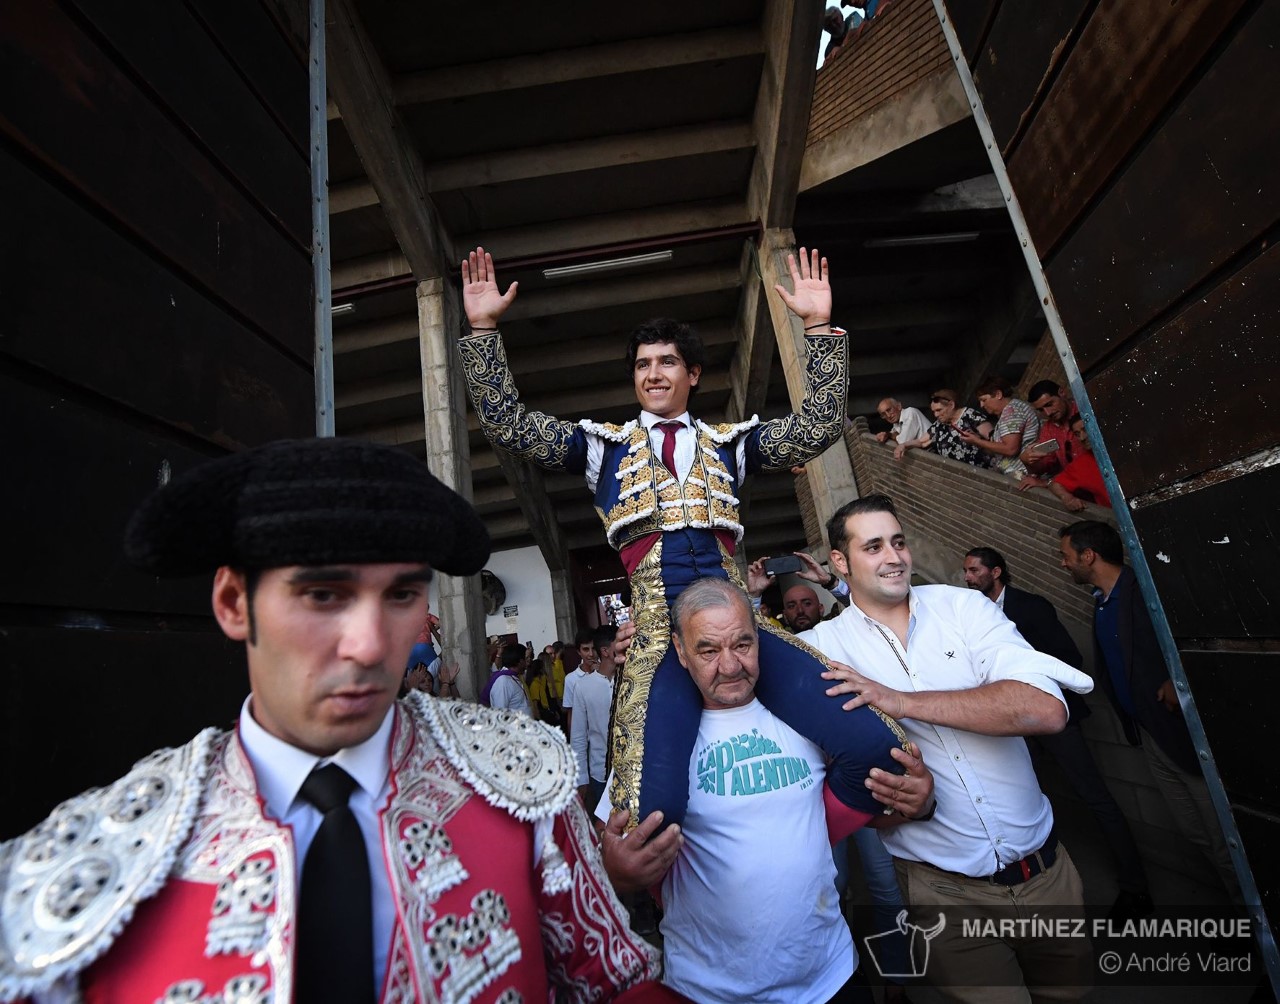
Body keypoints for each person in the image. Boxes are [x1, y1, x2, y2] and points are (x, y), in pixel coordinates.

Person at [0, 438, 672, 1003]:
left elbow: (615, 983)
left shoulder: (517, 777)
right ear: (235, 603)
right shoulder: (89, 861)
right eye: (324, 594)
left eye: (402, 594)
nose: (372, 644)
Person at [459, 245, 907, 833]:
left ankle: (790, 843)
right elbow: (511, 426)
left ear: (692, 374)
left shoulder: (731, 445)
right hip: (656, 639)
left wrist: (819, 327)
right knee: (649, 813)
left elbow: (817, 428)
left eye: (667, 362)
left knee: (882, 748)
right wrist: (484, 329)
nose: (653, 374)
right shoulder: (603, 447)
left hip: (740, 625)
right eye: (643, 364)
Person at [803, 495, 1096, 1001]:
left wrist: (900, 701)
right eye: (872, 546)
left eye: (898, 542)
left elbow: (1044, 709)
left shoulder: (964, 606)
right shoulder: (823, 651)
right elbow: (827, 789)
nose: (894, 557)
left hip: (1050, 881)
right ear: (839, 562)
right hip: (945, 898)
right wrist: (899, 811)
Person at [601, 577, 934, 1004]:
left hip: (832, 977)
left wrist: (919, 803)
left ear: (760, 639)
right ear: (681, 653)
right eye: (708, 650)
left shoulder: (809, 720)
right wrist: (613, 872)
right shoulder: (658, 748)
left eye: (742, 644)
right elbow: (604, 853)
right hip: (710, 992)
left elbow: (868, 813)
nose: (730, 665)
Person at [963, 546, 1153, 918]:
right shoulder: (972, 616)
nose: (967, 578)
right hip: (1012, 729)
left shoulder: (1031, 606)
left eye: (973, 570)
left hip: (1053, 721)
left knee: (1096, 797)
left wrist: (1025, 685)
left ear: (996, 572)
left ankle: (1136, 888)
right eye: (965, 571)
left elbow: (1069, 658)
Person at [1058, 520, 1241, 901]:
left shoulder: (1143, 590)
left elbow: (1204, 631)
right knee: (1197, 835)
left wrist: (1179, 678)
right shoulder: (1103, 602)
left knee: (1227, 841)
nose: (1063, 563)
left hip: (1183, 736)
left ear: (1088, 555)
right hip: (1150, 735)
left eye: (1066, 555)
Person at [1018, 414, 1111, 511]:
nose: (1082, 438)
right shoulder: (1082, 463)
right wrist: (1067, 498)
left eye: (1085, 430)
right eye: (1077, 434)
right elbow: (1055, 484)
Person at [572, 626, 619, 811]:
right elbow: (578, 735)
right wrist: (581, 777)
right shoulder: (583, 687)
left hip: (634, 768)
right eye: (619, 643)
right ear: (606, 651)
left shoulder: (631, 681)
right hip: (600, 772)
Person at [961, 375, 1041, 479]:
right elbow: (999, 447)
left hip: (1022, 475)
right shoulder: (1008, 412)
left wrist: (978, 441)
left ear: (998, 394)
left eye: (984, 400)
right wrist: (977, 440)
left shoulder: (1012, 412)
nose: (981, 405)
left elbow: (1010, 449)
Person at [893, 388, 991, 468]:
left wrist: (978, 441)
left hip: (982, 472)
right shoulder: (939, 425)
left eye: (939, 410)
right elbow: (921, 442)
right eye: (934, 411)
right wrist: (903, 445)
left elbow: (994, 441)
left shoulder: (971, 416)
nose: (936, 415)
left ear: (951, 405)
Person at [1022, 381, 1081, 477]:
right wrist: (1027, 460)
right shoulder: (1048, 430)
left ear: (1062, 393)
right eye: (1041, 410)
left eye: (1049, 404)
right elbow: (1042, 467)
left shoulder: (1084, 410)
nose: (1048, 413)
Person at [561, 626, 598, 737]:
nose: (591, 654)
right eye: (586, 649)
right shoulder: (571, 679)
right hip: (586, 738)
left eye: (594, 648)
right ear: (579, 652)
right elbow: (571, 715)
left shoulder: (607, 673)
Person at [481, 641, 533, 715]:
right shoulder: (503, 681)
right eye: (526, 658)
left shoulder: (514, 677)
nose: (528, 662)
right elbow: (500, 712)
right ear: (520, 661)